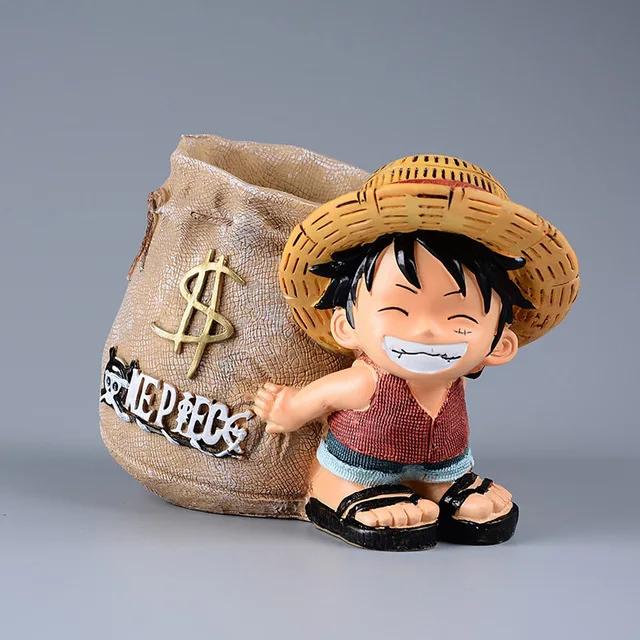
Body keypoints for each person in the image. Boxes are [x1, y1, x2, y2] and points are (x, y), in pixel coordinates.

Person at [254, 155, 579, 551]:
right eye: (398, 310)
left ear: (499, 345)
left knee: (449, 474)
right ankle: (335, 489)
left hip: (442, 463)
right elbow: (321, 398)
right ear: (346, 326)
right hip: (360, 466)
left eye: (459, 317)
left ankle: (440, 485)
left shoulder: (453, 379)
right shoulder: (366, 381)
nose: (426, 330)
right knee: (350, 475)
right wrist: (288, 409)